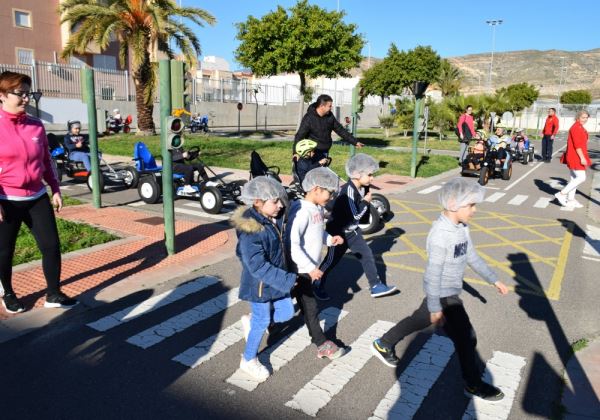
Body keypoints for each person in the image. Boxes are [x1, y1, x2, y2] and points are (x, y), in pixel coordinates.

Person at [371, 178, 509, 401]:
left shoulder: (461, 228)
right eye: (471, 205)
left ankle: (383, 343)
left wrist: (494, 280)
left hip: (448, 293)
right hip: (443, 295)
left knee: (419, 319)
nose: (474, 210)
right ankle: (473, 384)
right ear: (454, 203)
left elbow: (471, 255)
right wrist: (436, 305)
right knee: (466, 338)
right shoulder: (440, 235)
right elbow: (432, 274)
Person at [0, 71, 78, 314]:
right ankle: (8, 293)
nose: (26, 99)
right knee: (5, 251)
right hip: (6, 199)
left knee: (51, 246)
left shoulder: (35, 125)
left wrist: (55, 188)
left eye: (29, 94)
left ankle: (53, 293)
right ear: (2, 95)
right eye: (20, 94)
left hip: (36, 196)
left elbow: (45, 160)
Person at [231, 176, 297, 380]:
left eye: (280, 200)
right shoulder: (252, 230)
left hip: (275, 279)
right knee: (263, 321)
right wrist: (287, 279)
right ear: (257, 202)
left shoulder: (269, 218)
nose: (280, 205)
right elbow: (256, 264)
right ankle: (248, 360)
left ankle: (251, 320)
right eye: (275, 201)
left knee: (287, 313)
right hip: (260, 285)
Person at [315, 153, 397, 300]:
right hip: (338, 232)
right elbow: (356, 215)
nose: (372, 178)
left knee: (367, 255)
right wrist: (366, 202)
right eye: (370, 174)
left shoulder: (362, 187)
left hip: (352, 231)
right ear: (357, 174)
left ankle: (376, 286)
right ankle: (316, 283)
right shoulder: (349, 191)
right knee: (331, 261)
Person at [286, 167, 347, 359]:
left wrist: (329, 239)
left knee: (292, 305)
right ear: (316, 189)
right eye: (329, 192)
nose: (331, 197)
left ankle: (264, 322)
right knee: (308, 308)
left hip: (307, 269)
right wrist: (311, 269)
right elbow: (292, 244)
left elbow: (317, 232)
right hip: (299, 270)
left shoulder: (317, 209)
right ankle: (321, 343)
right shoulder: (302, 212)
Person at [294, 94, 364, 160]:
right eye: (329, 106)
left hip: (325, 151)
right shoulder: (309, 118)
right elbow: (299, 135)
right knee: (312, 172)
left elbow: (340, 130)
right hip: (312, 152)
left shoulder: (330, 116)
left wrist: (355, 142)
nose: (331, 108)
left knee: (322, 172)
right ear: (322, 106)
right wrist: (295, 153)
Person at [554, 110, 591, 208]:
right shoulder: (576, 128)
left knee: (574, 178)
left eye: (586, 117)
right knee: (581, 177)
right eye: (583, 117)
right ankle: (562, 194)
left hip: (576, 155)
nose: (585, 119)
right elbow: (577, 145)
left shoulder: (579, 127)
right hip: (575, 156)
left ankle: (570, 199)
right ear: (578, 117)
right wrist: (582, 158)